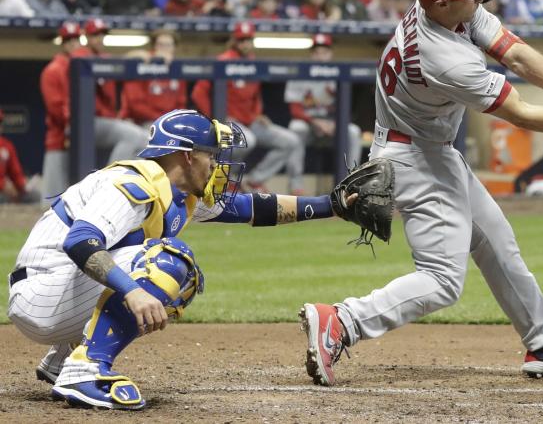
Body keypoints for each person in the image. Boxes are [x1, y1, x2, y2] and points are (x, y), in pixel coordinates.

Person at [299, 0, 543, 387]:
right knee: (442, 279)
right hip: (413, 159)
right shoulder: (444, 58)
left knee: (498, 243)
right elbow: (521, 113)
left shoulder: (446, 9)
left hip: (430, 150)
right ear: (442, 3)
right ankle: (343, 321)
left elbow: (513, 52)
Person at [7, 109, 355, 410]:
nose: (217, 164)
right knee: (171, 263)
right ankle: (85, 369)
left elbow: (249, 207)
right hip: (42, 293)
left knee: (165, 268)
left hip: (53, 291)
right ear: (187, 155)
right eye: (211, 155)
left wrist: (332, 205)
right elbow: (80, 241)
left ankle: (64, 359)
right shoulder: (131, 183)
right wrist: (132, 290)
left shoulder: (176, 191)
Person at [191, 21, 306, 194]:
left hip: (249, 122)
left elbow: (254, 96)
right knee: (247, 140)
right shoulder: (223, 61)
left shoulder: (253, 62)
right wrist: (216, 117)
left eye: (248, 40)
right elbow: (198, 93)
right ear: (234, 41)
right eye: (241, 39)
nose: (245, 44)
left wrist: (257, 114)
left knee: (290, 141)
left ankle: (253, 181)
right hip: (226, 123)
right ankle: (228, 179)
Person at [39, 22, 149, 201]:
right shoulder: (71, 61)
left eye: (75, 39)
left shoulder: (96, 57)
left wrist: (139, 55)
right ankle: (109, 186)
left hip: (95, 126)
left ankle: (127, 193)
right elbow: (58, 109)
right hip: (70, 131)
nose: (73, 43)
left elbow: (114, 63)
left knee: (141, 139)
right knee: (53, 201)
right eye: (68, 40)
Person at [285, 33, 363, 167]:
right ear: (311, 55)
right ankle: (296, 186)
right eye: (317, 53)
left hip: (332, 123)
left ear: (330, 54)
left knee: (353, 132)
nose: (320, 57)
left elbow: (346, 107)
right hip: (308, 123)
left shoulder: (339, 73)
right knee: (296, 128)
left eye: (324, 52)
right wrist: (315, 122)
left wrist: (336, 122)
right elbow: (295, 109)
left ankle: (350, 183)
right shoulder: (299, 73)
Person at [119, 30, 188, 124]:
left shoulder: (176, 68)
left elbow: (181, 103)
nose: (164, 49)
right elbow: (136, 105)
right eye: (160, 45)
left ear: (174, 48)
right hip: (140, 121)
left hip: (168, 122)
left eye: (168, 45)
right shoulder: (143, 63)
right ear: (154, 46)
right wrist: (163, 120)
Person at [0, 109, 30, 202]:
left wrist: (21, 187)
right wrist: (3, 186)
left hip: (4, 190)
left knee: (32, 197)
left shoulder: (6, 145)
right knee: (3, 199)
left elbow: (15, 172)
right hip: (2, 191)